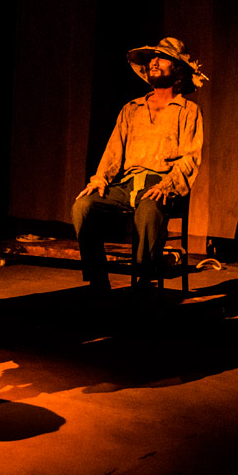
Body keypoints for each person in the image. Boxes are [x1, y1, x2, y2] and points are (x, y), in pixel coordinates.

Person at [72, 37, 206, 294]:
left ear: (177, 69)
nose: (154, 62)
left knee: (147, 210)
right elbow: (113, 151)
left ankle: (144, 283)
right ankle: (98, 281)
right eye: (152, 59)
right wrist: (100, 179)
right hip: (127, 184)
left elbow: (191, 157)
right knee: (83, 206)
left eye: (163, 58)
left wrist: (168, 185)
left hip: (161, 184)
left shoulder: (188, 111)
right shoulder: (132, 109)